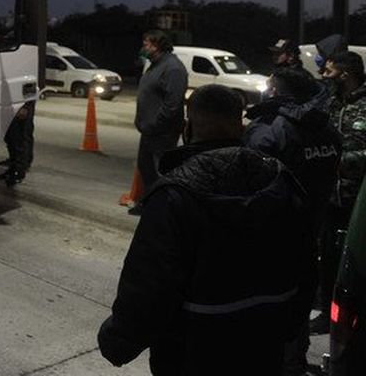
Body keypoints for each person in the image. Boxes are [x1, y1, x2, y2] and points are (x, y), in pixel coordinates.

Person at [98, 85, 315, 375]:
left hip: (190, 355)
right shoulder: (280, 181)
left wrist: (118, 340)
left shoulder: (174, 194)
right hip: (263, 352)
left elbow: (148, 286)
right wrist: (286, 328)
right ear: (240, 127)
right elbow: (306, 268)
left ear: (187, 129)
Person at [243, 66, 341, 373]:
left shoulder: (275, 129)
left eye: (270, 88)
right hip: (310, 226)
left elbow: (253, 171)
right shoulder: (326, 129)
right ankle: (294, 361)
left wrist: (260, 119)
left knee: (268, 302)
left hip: (273, 232)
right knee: (298, 300)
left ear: (280, 94)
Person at [316, 50, 366, 333]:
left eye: (330, 72)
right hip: (331, 196)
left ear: (346, 73)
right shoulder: (331, 101)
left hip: (359, 198)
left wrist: (344, 162)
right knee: (329, 257)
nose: (325, 76)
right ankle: (327, 314)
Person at [130, 30, 188, 213]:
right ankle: (149, 205)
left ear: (157, 45)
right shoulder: (154, 65)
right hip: (149, 130)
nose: (143, 47)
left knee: (159, 172)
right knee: (146, 168)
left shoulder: (173, 68)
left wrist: (155, 125)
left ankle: (162, 211)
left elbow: (173, 104)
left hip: (162, 132)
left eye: (146, 44)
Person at [0, 99, 35, 186]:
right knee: (10, 138)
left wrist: (25, 107)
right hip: (11, 103)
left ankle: (19, 172)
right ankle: (13, 168)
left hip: (21, 105)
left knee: (20, 139)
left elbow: (29, 87)